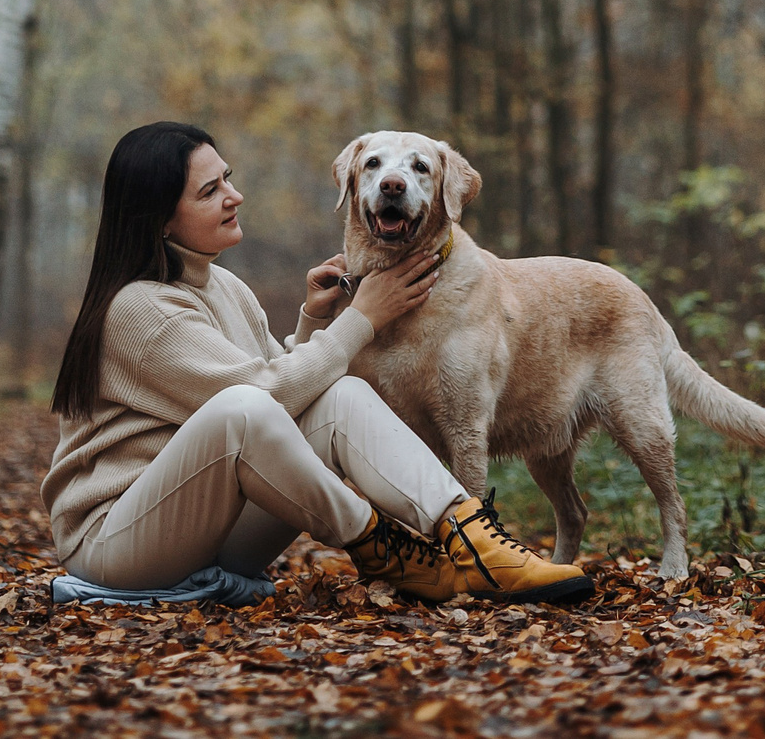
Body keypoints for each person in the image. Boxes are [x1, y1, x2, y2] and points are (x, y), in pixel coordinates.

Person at [40, 121, 592, 604]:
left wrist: (311, 320)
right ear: (160, 218)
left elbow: (284, 389)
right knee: (245, 408)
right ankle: (383, 547)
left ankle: (474, 538)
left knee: (341, 395)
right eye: (210, 191)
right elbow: (255, 401)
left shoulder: (223, 285)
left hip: (211, 530)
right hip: (118, 543)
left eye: (227, 178)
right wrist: (362, 320)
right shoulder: (138, 308)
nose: (234, 196)